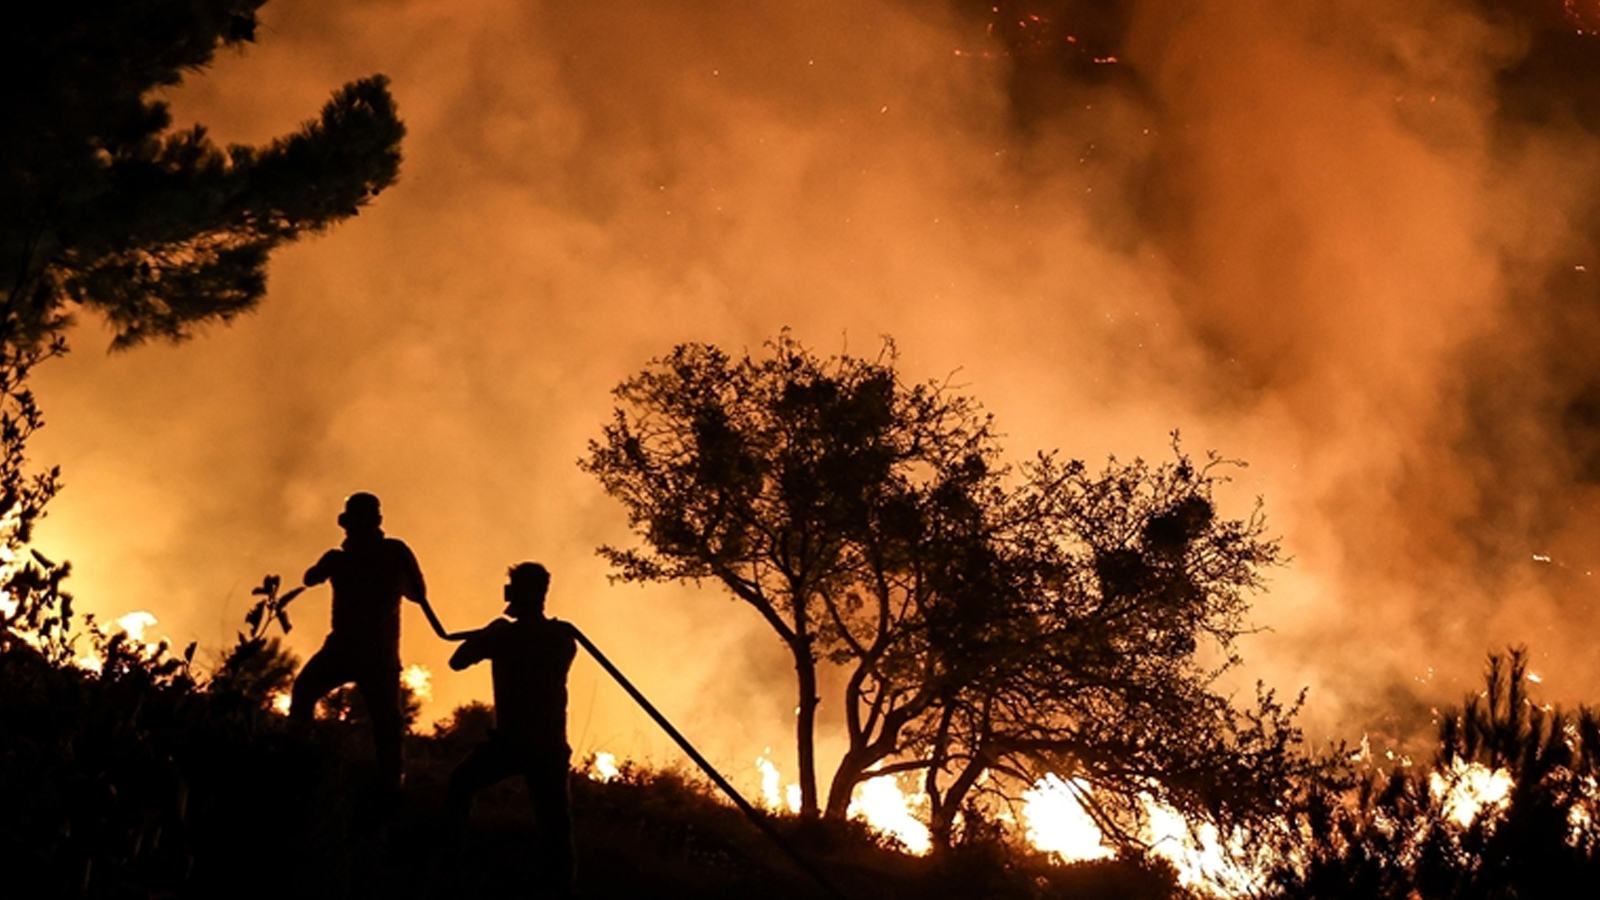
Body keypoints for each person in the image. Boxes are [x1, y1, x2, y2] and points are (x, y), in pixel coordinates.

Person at [445, 562, 578, 897]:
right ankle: (560, 889)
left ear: (515, 593)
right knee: (557, 829)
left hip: (513, 745)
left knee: (460, 785)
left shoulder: (504, 635)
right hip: (549, 745)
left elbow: (456, 661)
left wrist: (491, 632)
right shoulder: (562, 637)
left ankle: (448, 867)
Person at [289, 492, 428, 793]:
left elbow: (311, 578)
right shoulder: (390, 553)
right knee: (386, 721)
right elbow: (418, 594)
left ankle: (301, 765)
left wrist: (334, 564)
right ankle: (390, 783)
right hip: (370, 651)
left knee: (308, 694)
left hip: (353, 649)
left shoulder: (370, 556)